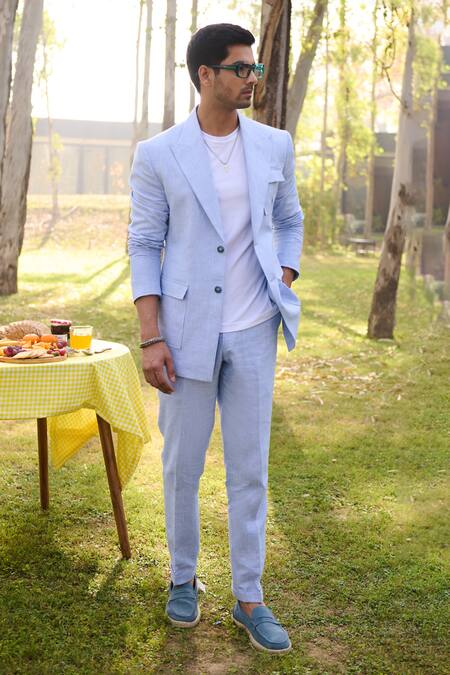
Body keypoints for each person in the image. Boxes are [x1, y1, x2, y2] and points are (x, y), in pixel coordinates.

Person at [128, 23, 303, 654]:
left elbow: (289, 219)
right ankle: (183, 578)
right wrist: (151, 336)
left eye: (254, 68)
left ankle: (249, 597)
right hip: (184, 332)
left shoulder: (274, 144)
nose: (251, 78)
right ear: (205, 75)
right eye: (239, 68)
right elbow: (144, 243)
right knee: (182, 465)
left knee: (249, 469)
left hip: (254, 331)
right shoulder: (159, 153)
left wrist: (283, 274)